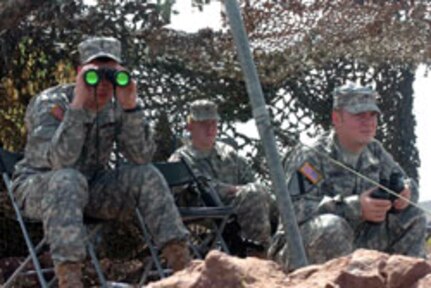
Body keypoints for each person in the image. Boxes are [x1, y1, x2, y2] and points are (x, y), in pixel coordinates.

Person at [12, 36, 191, 288]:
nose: (103, 84)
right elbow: (60, 161)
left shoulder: (116, 105)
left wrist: (130, 107)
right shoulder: (50, 104)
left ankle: (185, 269)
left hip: (91, 188)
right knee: (68, 179)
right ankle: (70, 281)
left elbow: (140, 157)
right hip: (40, 186)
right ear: (79, 73)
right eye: (95, 73)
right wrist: (78, 106)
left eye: (111, 74)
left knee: (146, 174)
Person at [268, 83, 427, 271]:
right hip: (301, 247)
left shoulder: (375, 151)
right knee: (332, 227)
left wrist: (405, 194)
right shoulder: (311, 156)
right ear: (337, 118)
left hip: (359, 242)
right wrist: (355, 207)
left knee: (414, 216)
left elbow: (404, 181)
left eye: (373, 115)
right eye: (359, 115)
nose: (368, 122)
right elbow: (294, 210)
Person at [169, 99, 273, 258]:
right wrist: (236, 190)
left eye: (213, 123)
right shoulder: (181, 158)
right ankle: (259, 254)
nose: (210, 129)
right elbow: (200, 188)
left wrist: (251, 191)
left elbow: (250, 180)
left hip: (238, 207)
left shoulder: (228, 153)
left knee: (278, 201)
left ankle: (282, 250)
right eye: (203, 124)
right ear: (190, 126)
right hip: (205, 211)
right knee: (255, 194)